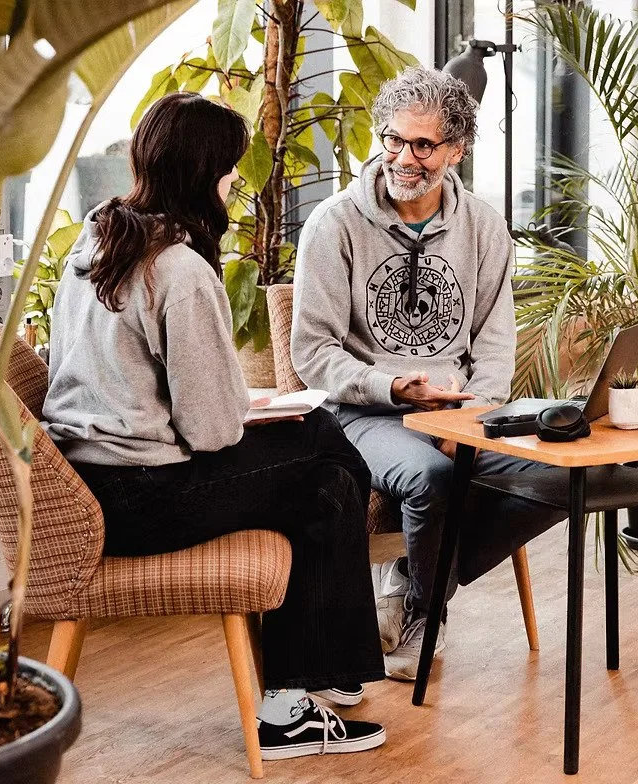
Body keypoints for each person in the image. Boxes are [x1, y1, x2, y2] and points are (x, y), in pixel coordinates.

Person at [43, 92, 386, 760]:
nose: (236, 180)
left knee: (325, 472)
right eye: (230, 168)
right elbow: (211, 432)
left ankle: (315, 683)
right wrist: (245, 407)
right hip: (145, 496)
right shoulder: (178, 268)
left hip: (88, 483)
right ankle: (311, 687)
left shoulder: (93, 245)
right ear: (204, 173)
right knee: (328, 461)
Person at [291, 68, 565, 681]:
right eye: (393, 139)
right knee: (431, 477)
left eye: (423, 145)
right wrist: (393, 388)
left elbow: (495, 339)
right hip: (363, 412)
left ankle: (412, 582)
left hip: (459, 407)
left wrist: (470, 416)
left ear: (457, 149)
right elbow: (312, 351)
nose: (403, 158)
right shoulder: (333, 225)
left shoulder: (484, 226)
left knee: (564, 473)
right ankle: (426, 615)